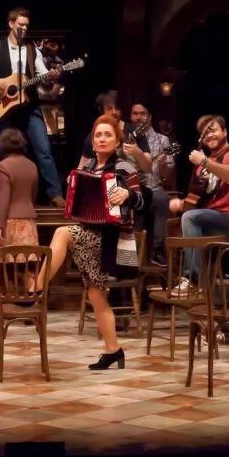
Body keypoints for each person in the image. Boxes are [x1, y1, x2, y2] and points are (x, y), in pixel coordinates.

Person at [40, 115, 144, 370]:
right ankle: (113, 350)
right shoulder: (87, 168)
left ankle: (36, 288)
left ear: (117, 141)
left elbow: (143, 200)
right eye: (98, 135)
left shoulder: (124, 168)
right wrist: (73, 188)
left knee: (62, 233)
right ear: (93, 140)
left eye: (108, 135)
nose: (102, 139)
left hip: (111, 238)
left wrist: (127, 194)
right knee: (96, 294)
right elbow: (77, 205)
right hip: (90, 233)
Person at [0, 7, 64, 206]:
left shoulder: (32, 50)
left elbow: (42, 76)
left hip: (30, 108)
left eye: (26, 26)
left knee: (44, 150)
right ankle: (5, 196)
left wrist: (51, 76)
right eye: (20, 24)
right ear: (11, 24)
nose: (24, 28)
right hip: (5, 108)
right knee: (5, 152)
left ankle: (55, 195)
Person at [168, 115, 229, 301]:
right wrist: (182, 203)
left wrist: (205, 162)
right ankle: (215, 314)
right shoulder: (202, 166)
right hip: (209, 221)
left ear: (224, 132)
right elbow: (200, 197)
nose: (209, 135)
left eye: (212, 129)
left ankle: (191, 278)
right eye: (204, 133)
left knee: (190, 217)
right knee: (207, 270)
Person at [129, 102, 174, 264]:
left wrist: (162, 166)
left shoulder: (163, 140)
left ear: (150, 117)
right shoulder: (126, 138)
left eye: (142, 114)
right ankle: (131, 251)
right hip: (131, 189)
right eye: (135, 113)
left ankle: (157, 248)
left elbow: (167, 175)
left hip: (154, 188)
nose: (138, 117)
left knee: (162, 198)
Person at [0, 129, 39, 248]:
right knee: (29, 258)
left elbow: (3, 199)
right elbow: (33, 196)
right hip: (30, 223)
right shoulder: (32, 165)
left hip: (10, 223)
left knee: (8, 258)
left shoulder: (2, 166)